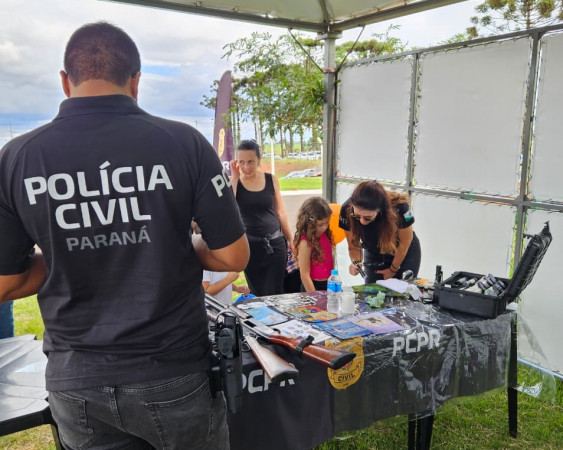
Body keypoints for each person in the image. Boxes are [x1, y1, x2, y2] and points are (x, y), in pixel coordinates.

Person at [0, 22, 249, 450]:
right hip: (172, 371)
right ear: (135, 81)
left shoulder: (16, 158)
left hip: (77, 380)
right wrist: (176, 243)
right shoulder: (185, 143)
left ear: (65, 81)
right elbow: (232, 257)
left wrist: (65, 256)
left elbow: (6, 283)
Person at [230, 139, 293, 296]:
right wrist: (235, 177)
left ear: (258, 159)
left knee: (275, 293)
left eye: (250, 161)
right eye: (241, 162)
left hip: (275, 245)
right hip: (250, 248)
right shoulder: (235, 182)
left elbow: (280, 212)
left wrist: (290, 239)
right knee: (258, 295)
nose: (246, 167)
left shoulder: (272, 179)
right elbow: (228, 208)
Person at [339, 180, 421, 283]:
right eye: (357, 216)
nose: (362, 222)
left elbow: (405, 242)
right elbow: (353, 245)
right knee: (372, 290)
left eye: (368, 217)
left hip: (403, 251)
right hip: (373, 251)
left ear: (380, 210)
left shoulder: (401, 208)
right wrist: (356, 263)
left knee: (402, 289)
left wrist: (393, 269)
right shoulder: (346, 209)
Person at [293, 197, 335, 292]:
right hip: (312, 287)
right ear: (309, 223)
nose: (325, 227)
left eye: (327, 223)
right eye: (320, 225)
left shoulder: (325, 234)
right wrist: (315, 296)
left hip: (328, 284)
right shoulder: (305, 242)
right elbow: (305, 275)